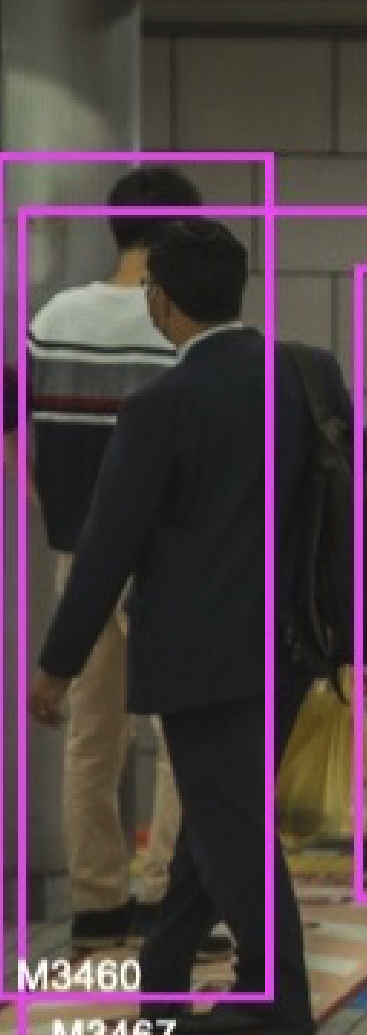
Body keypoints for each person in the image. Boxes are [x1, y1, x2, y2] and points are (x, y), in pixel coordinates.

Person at [31, 218, 337, 1035]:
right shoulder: (305, 377)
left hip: (203, 658)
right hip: (291, 645)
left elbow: (105, 548)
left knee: (231, 828)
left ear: (160, 301)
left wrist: (57, 663)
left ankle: (276, 1000)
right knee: (216, 818)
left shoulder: (162, 404)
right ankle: (162, 986)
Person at [26, 166, 200, 950]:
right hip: (167, 564)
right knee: (182, 737)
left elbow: (25, 442)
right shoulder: (178, 326)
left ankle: (97, 906)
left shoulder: (51, 318)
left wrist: (62, 519)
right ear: (173, 237)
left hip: (78, 556)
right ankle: (170, 894)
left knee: (91, 739)